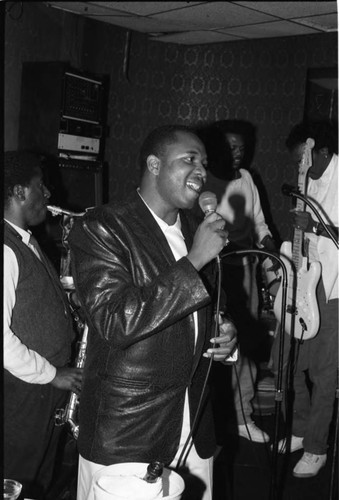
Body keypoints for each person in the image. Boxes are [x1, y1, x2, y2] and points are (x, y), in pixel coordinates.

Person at [67, 124, 237, 500]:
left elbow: (210, 306)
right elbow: (115, 319)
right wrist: (194, 261)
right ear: (154, 165)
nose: (202, 171)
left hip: (193, 425)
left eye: (204, 163)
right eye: (189, 160)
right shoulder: (104, 227)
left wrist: (227, 335)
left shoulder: (198, 229)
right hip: (129, 430)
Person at [3, 150, 83, 499]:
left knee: (39, 480)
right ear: (20, 192)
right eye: (41, 186)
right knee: (18, 480)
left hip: (41, 392)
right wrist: (54, 374)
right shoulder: (5, 249)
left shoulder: (26, 240)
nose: (48, 194)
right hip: (25, 394)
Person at [198, 119, 278, 443]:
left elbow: (259, 221)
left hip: (244, 268)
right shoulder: (203, 182)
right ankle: (211, 418)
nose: (237, 153)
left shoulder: (246, 178)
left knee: (243, 340)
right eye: (230, 147)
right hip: (214, 272)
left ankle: (243, 415)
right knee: (213, 342)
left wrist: (268, 243)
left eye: (242, 148)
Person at [271, 120, 338, 478]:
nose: (301, 166)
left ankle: (316, 448)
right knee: (289, 361)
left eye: (305, 159)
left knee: (325, 373)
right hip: (304, 281)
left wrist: (313, 226)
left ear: (323, 151)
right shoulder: (306, 182)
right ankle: (299, 430)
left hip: (334, 288)